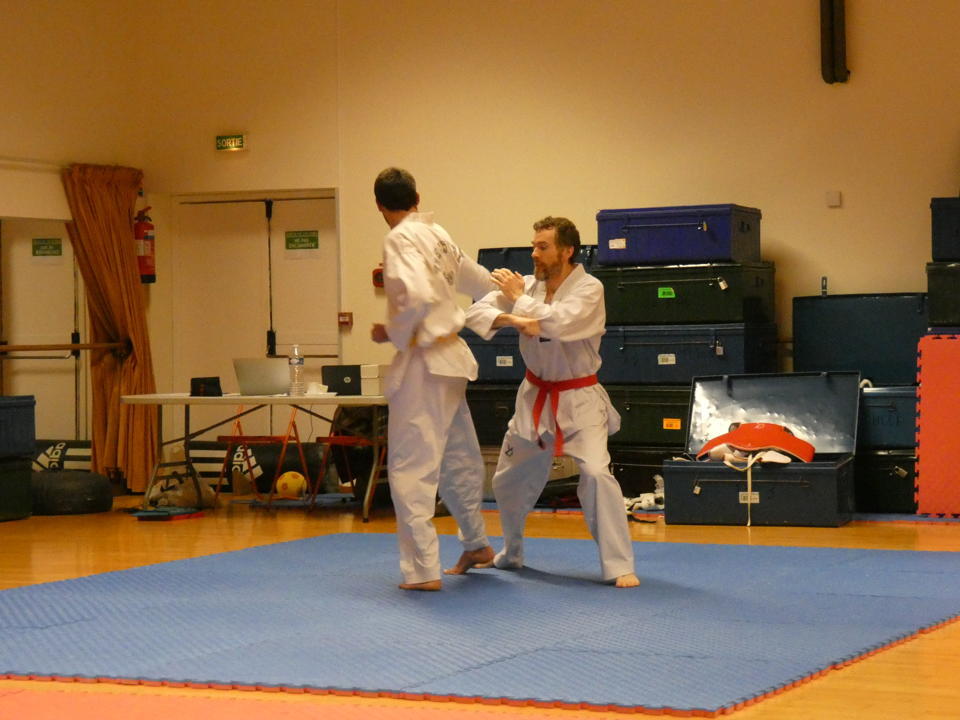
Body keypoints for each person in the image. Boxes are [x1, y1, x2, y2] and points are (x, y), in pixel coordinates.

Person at [465, 216, 640, 588]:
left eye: (542, 247)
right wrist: (515, 318)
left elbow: (559, 324)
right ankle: (511, 552)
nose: (534, 253)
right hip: (534, 396)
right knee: (507, 480)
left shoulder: (589, 289)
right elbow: (475, 313)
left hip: (579, 398)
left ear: (567, 250)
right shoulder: (528, 285)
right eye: (533, 245)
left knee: (596, 474)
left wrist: (519, 301)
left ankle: (619, 564)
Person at [370, 167, 495, 591]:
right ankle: (477, 543)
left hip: (424, 361)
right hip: (453, 362)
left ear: (379, 205)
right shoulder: (437, 233)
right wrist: (513, 293)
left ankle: (422, 570)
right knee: (458, 457)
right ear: (417, 197)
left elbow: (419, 296)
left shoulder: (399, 238)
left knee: (411, 467)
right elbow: (480, 281)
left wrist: (392, 331)